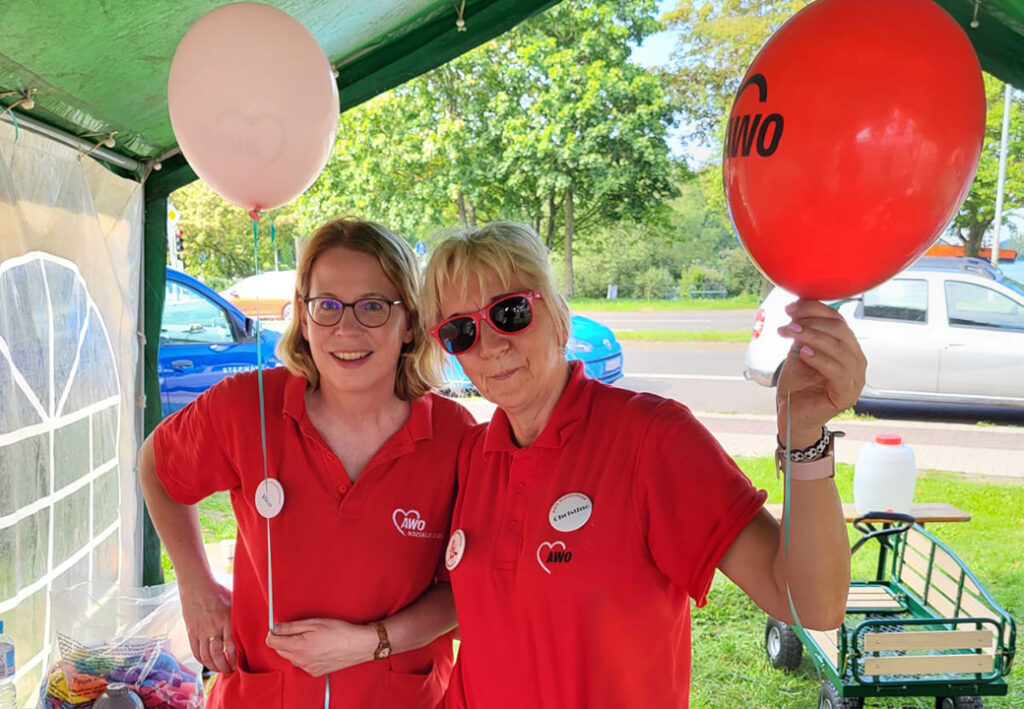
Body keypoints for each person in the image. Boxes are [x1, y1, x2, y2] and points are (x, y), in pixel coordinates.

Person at [422, 222, 867, 708]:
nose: (488, 345)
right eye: (461, 331)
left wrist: (802, 437)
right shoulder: (471, 456)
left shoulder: (651, 437)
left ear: (560, 316)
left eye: (510, 313)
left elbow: (811, 604)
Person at [139, 218, 475, 708]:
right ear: (303, 314)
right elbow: (157, 466)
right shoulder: (245, 408)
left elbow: (462, 595)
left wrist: (371, 642)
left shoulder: (456, 437)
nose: (347, 328)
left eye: (374, 307)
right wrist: (196, 587)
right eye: (328, 306)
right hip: (263, 693)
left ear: (409, 324)